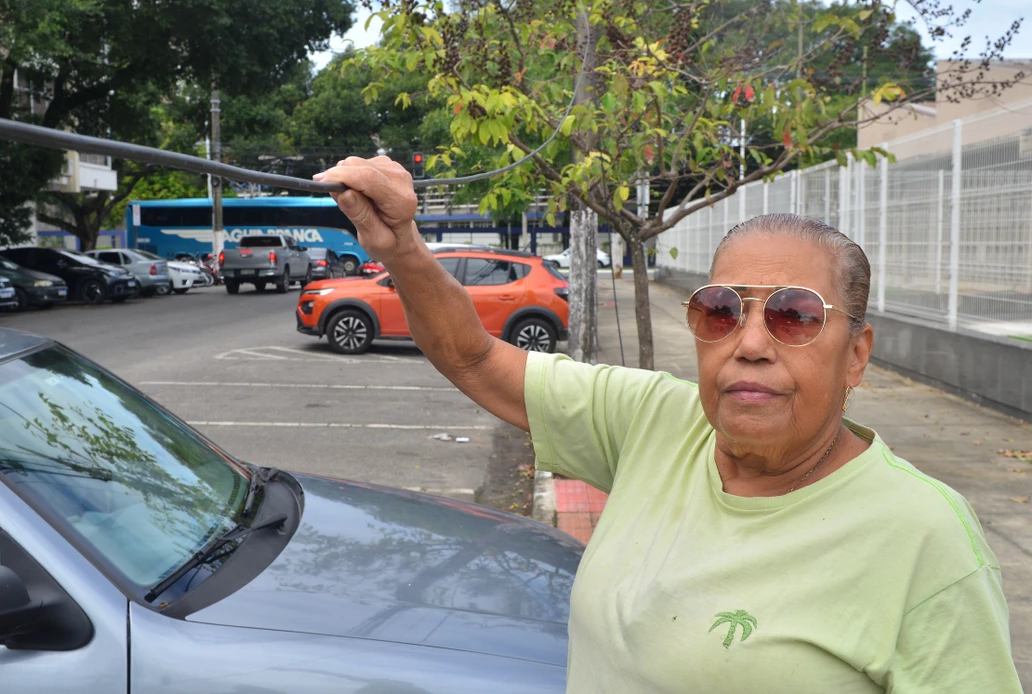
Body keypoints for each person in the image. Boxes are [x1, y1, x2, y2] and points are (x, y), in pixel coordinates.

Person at [313, 156, 1023, 693]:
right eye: (721, 310)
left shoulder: (924, 537)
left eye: (795, 315)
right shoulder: (656, 420)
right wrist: (402, 246)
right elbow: (474, 358)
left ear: (857, 356)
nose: (750, 342)